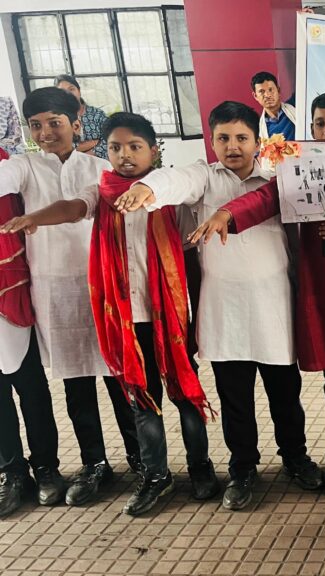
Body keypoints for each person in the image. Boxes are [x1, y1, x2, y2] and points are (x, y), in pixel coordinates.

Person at [191, 89, 325, 503]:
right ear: (309, 129)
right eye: (320, 124)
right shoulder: (297, 175)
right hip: (319, 298)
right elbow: (263, 198)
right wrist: (228, 213)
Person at [1, 112, 219, 516]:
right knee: (141, 399)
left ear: (153, 151)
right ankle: (155, 476)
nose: (125, 155)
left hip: (168, 316)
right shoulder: (101, 191)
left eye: (135, 147)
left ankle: (200, 467)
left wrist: (151, 189)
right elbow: (73, 207)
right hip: (125, 318)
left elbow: (190, 191)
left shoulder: (168, 190)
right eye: (116, 148)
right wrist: (34, 218)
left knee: (184, 393)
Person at [114, 101, 323, 510]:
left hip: (274, 306)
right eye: (223, 138)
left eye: (242, 137)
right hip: (223, 309)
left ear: (257, 141)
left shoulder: (277, 176)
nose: (233, 146)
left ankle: (296, 458)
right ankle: (242, 468)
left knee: (285, 394)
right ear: (211, 141)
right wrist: (149, 189)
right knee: (234, 399)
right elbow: (176, 179)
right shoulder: (205, 178)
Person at [0, 87, 139, 510]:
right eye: (36, 125)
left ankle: (141, 461)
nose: (46, 133)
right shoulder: (24, 167)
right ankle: (95, 464)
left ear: (75, 124)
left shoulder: (100, 166)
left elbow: (88, 208)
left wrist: (33, 218)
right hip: (53, 292)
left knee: (120, 379)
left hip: (101, 285)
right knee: (77, 385)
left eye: (54, 123)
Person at [0, 147, 62, 518]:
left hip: (11, 291)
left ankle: (46, 467)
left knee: (32, 389)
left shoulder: (8, 166)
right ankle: (12, 472)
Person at [54, 74, 108, 159]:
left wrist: (88, 155)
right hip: (71, 165)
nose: (68, 94)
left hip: (101, 163)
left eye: (71, 89)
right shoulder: (57, 119)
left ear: (79, 91)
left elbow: (109, 139)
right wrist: (94, 142)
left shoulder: (97, 114)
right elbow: (61, 148)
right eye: (63, 91)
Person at [252, 71, 297, 142]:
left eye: (270, 90)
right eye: (261, 91)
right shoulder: (258, 129)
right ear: (255, 96)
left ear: (278, 90)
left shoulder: (295, 106)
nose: (267, 95)